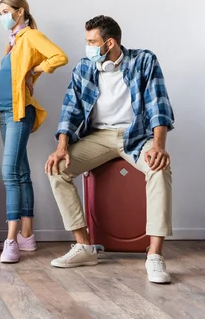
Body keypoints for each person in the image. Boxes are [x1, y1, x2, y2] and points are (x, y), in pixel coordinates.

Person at [45, 15, 174, 284]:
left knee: (159, 169)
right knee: (57, 169)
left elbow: (158, 105)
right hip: (99, 136)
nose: (88, 47)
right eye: (87, 41)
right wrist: (61, 147)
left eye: (92, 42)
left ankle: (155, 255)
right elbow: (71, 109)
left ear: (110, 42)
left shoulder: (144, 61)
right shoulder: (84, 68)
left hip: (136, 135)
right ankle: (84, 246)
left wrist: (159, 146)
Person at [0, 0, 69, 263]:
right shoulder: (13, 43)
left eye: (5, 11)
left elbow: (59, 56)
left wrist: (35, 70)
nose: (2, 16)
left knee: (9, 173)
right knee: (21, 172)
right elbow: (7, 78)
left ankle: (11, 240)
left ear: (20, 11)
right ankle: (27, 235)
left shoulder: (31, 36)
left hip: (18, 111)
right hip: (3, 111)